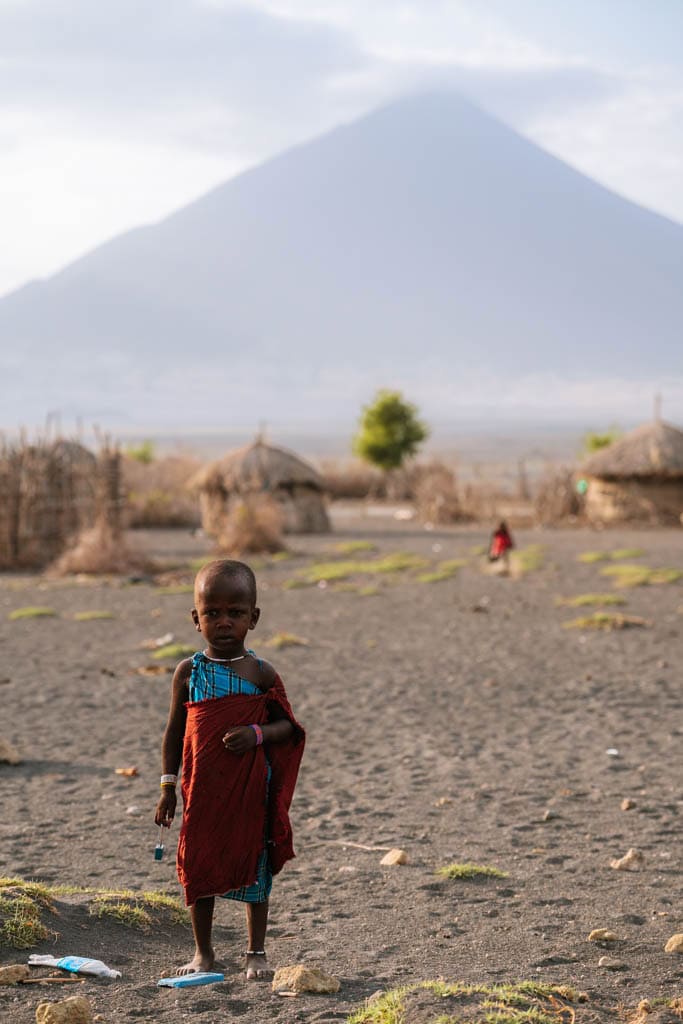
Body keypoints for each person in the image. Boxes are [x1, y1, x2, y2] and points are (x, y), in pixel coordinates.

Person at [154, 559, 305, 980]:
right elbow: (173, 733)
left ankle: (256, 952)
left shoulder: (260, 673)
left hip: (250, 790)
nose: (224, 622)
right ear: (195, 618)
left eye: (235, 613)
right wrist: (167, 788)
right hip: (201, 790)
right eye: (212, 613)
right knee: (198, 863)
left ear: (253, 618)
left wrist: (256, 733)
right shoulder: (189, 672)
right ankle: (203, 954)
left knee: (255, 863)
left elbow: (288, 728)